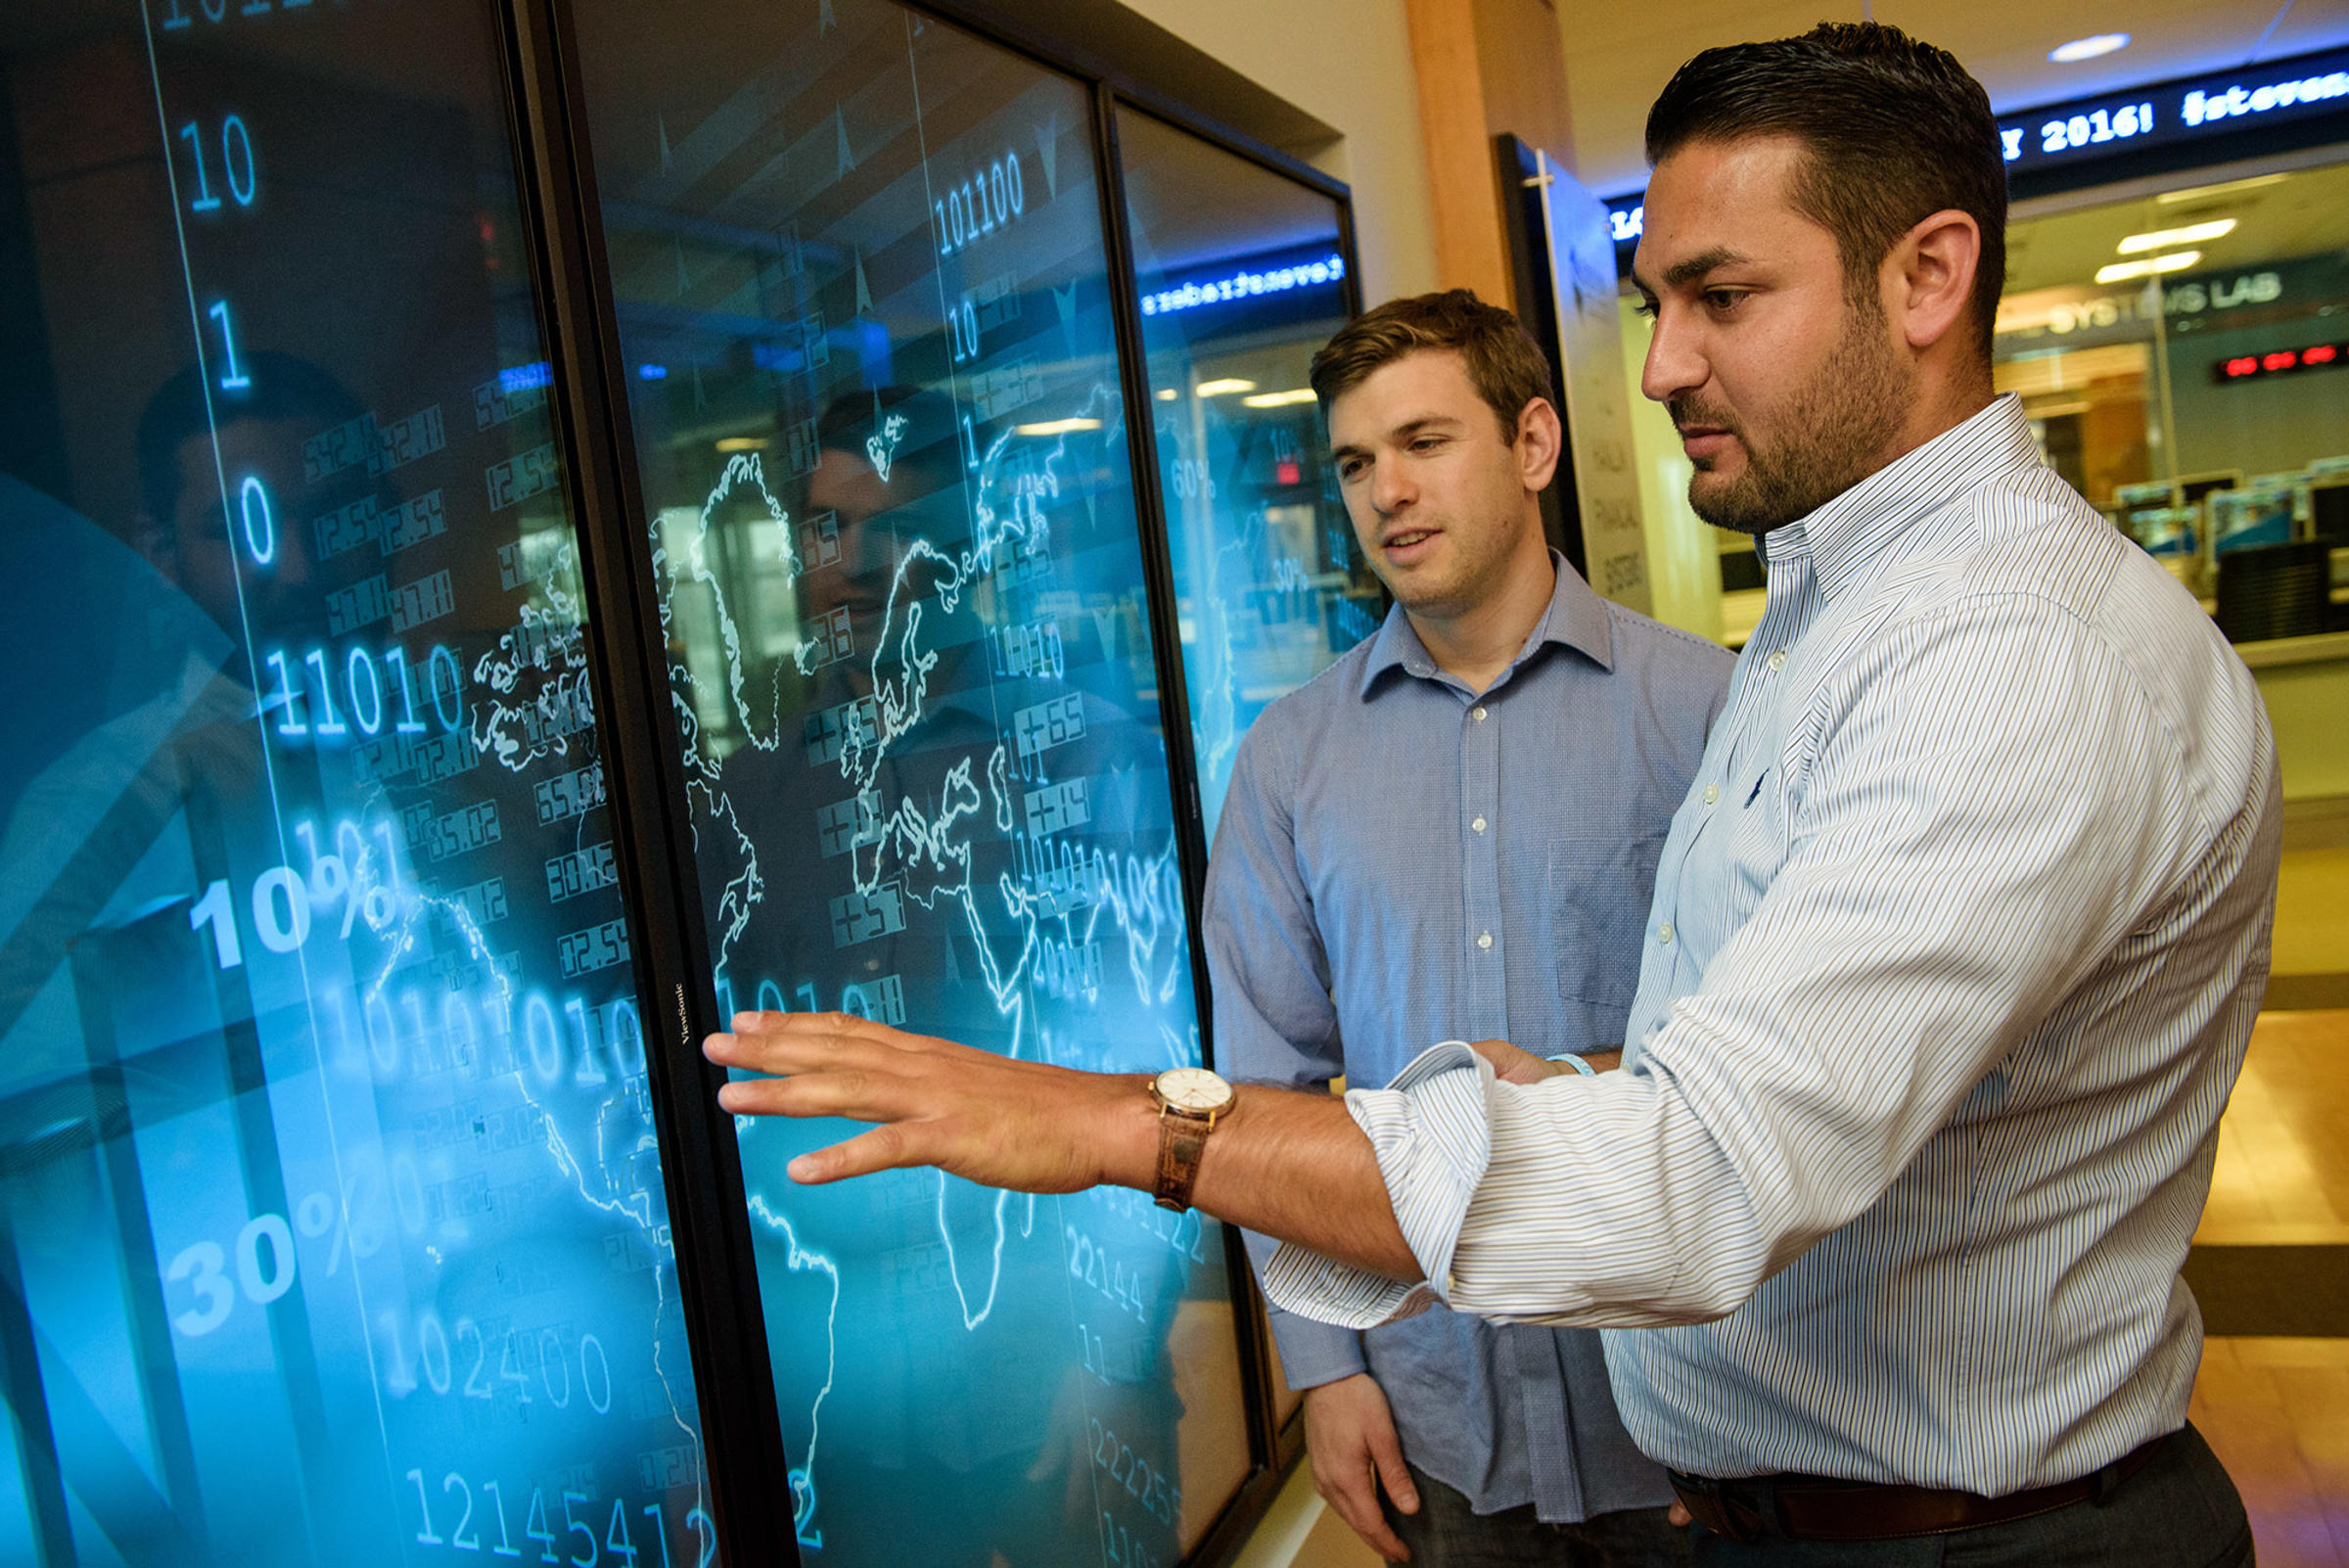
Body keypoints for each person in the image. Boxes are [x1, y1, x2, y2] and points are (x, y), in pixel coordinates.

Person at [705, 23, 2280, 1566]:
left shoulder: (2005, 655)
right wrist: (1585, 1087)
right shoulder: (1830, 623)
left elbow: (1701, 1177)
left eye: (1724, 297)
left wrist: (1127, 1122)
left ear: (1928, 277)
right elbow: (1791, 1048)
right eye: (1657, 302)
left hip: (1956, 1534)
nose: (1661, 365)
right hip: (1680, 1477)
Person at [1207, 290, 1727, 1565]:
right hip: (1439, 1426)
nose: (1386, 491)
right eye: (1355, 462)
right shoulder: (1290, 760)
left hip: (1696, 1418)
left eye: (1425, 442)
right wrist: (1325, 1371)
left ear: (1533, 443)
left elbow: (1773, 1069)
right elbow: (1266, 1092)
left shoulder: (1709, 712)